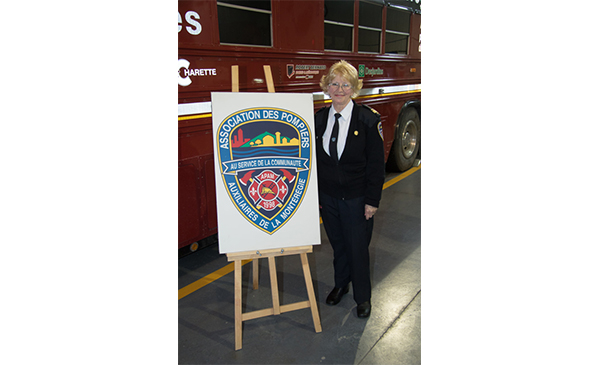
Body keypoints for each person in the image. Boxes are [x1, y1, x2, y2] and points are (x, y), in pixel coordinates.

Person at [314, 60, 385, 318]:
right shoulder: (319, 119)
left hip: (356, 199)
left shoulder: (368, 120)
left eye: (346, 84)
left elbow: (377, 165)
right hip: (329, 198)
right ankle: (341, 284)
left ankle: (362, 297)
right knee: (339, 245)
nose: (339, 89)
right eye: (334, 83)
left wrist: (372, 200)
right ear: (327, 87)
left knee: (357, 248)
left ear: (354, 88)